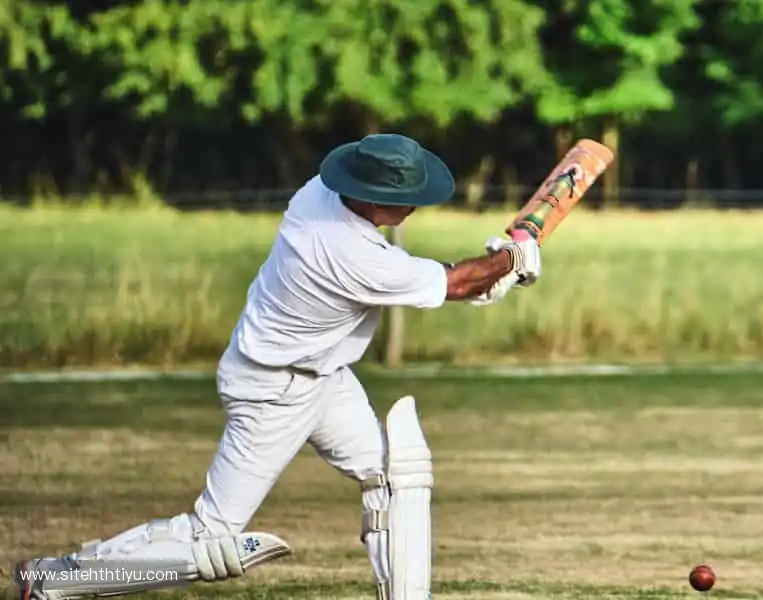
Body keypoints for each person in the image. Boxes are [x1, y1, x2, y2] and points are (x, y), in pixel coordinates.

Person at [13, 133, 541, 600]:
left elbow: (453, 282)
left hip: (322, 377)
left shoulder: (321, 192)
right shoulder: (344, 252)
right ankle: (57, 580)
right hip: (276, 390)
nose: (413, 208)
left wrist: (499, 266)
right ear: (371, 196)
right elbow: (453, 284)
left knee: (396, 475)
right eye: (403, 198)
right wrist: (512, 258)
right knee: (210, 538)